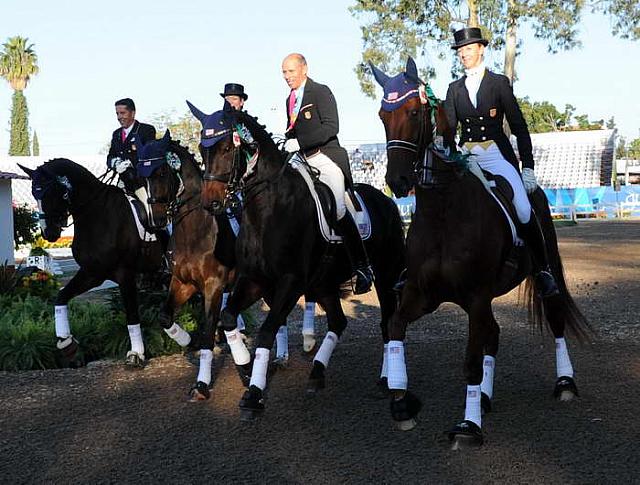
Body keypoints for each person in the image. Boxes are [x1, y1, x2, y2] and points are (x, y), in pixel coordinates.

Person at [443, 27, 558, 297]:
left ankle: (542, 270)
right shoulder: (454, 89)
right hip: (466, 158)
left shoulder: (498, 83)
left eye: (468, 49)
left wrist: (527, 166)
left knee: (521, 206)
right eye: (460, 51)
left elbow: (518, 126)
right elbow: (448, 131)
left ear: (481, 49)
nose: (463, 54)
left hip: (496, 154)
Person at [281, 53, 374, 295]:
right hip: (301, 158)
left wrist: (299, 142)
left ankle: (362, 266)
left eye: (291, 71)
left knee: (339, 208)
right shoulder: (290, 99)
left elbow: (332, 127)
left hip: (325, 156)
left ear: (304, 69)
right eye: (284, 72)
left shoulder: (321, 92)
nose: (287, 76)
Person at [106, 98, 156, 214]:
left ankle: (164, 231)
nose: (119, 117)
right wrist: (115, 163)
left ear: (132, 113)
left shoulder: (146, 130)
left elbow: (149, 155)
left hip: (142, 183)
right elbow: (110, 156)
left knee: (151, 213)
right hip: (123, 183)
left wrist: (130, 163)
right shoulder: (117, 134)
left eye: (123, 113)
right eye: (117, 114)